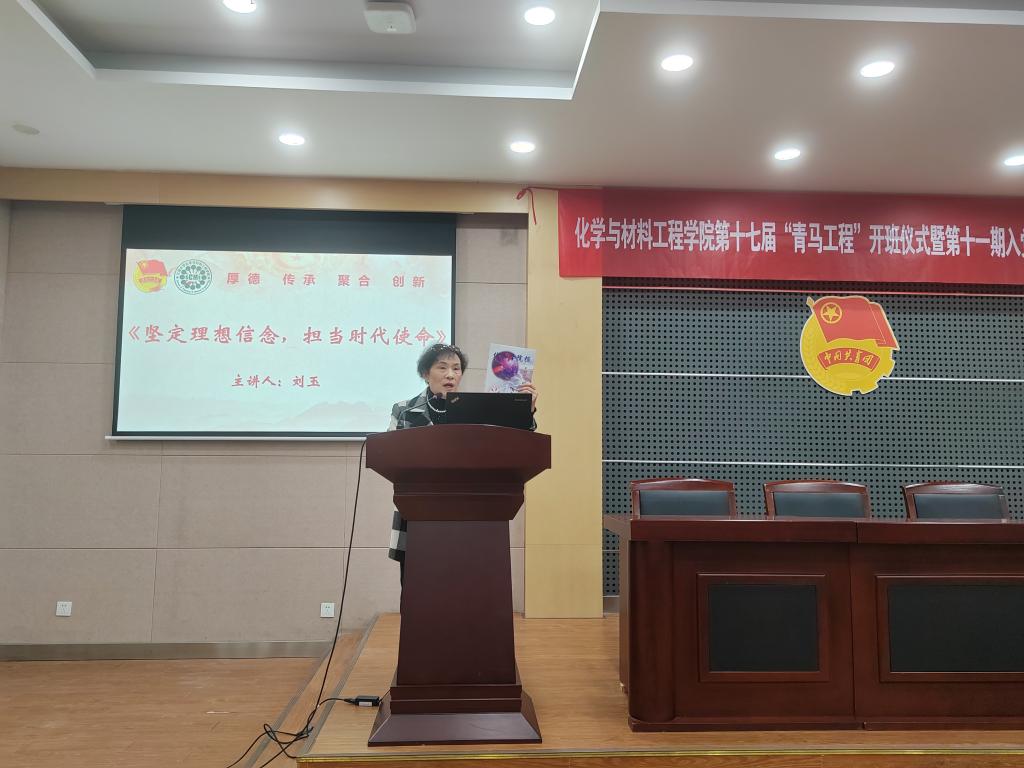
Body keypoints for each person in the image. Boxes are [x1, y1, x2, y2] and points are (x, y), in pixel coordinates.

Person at [386, 343, 538, 585]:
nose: (450, 374)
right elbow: (389, 457)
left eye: (456, 369)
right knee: (419, 593)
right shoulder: (405, 410)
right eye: (442, 367)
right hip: (417, 518)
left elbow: (512, 447)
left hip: (473, 517)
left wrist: (524, 412)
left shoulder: (477, 410)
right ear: (425, 373)